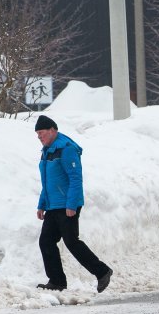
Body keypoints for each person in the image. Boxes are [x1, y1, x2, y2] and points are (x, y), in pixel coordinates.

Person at [34, 115, 112, 293]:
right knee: (46, 241)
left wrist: (71, 205)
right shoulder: (47, 151)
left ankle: (102, 271)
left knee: (71, 242)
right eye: (37, 133)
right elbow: (48, 182)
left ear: (53, 130)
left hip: (67, 205)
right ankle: (57, 281)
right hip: (53, 205)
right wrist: (42, 204)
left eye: (42, 132)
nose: (39, 136)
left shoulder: (66, 149)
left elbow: (76, 179)